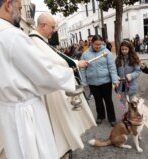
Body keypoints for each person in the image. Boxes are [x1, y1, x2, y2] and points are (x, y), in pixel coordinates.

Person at [0, 0, 78, 159]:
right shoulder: (10, 34)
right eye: (19, 8)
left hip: (4, 108)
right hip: (24, 112)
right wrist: (71, 73)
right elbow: (43, 72)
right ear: (8, 5)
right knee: (34, 152)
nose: (20, 13)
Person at [29, 13, 96, 159]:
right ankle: (62, 149)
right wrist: (77, 64)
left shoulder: (39, 40)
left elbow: (57, 57)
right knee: (58, 122)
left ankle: (64, 147)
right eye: (52, 27)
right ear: (43, 25)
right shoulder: (35, 40)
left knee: (62, 121)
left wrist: (75, 63)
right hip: (51, 91)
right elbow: (58, 61)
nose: (54, 30)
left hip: (52, 85)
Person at [80, 35, 118, 127]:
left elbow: (112, 67)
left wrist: (115, 80)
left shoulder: (106, 52)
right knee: (98, 100)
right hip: (93, 82)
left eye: (100, 44)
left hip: (105, 81)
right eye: (96, 44)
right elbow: (83, 69)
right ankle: (100, 116)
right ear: (91, 43)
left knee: (108, 100)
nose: (98, 46)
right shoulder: (85, 54)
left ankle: (112, 118)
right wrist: (84, 82)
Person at [115, 40, 141, 112]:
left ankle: (134, 116)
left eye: (126, 49)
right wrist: (116, 77)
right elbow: (114, 70)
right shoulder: (118, 59)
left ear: (129, 49)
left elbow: (138, 71)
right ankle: (124, 115)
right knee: (122, 101)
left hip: (131, 84)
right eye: (122, 49)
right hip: (121, 85)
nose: (124, 51)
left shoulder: (134, 58)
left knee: (133, 102)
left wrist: (130, 76)